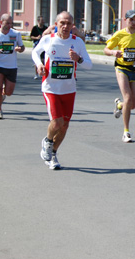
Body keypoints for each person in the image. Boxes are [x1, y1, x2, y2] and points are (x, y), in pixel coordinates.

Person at [33, 11, 92, 169]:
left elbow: (89, 64)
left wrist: (78, 59)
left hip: (69, 88)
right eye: (62, 23)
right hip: (51, 87)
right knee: (57, 121)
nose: (65, 26)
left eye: (69, 23)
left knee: (65, 125)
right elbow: (35, 52)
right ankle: (47, 140)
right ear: (56, 24)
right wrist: (39, 65)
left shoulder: (77, 42)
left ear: (73, 26)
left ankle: (52, 153)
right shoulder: (48, 40)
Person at [104, 9, 135, 142]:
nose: (134, 22)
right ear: (126, 21)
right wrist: (114, 53)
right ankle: (126, 131)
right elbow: (106, 49)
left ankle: (119, 105)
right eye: (131, 20)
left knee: (132, 105)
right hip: (122, 68)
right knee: (128, 97)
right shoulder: (119, 34)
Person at [0, 13, 26, 119]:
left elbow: (22, 47)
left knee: (9, 92)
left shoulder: (16, 34)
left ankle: (3, 94)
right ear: (1, 22)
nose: (9, 25)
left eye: (11, 23)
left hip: (11, 66)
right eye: (7, 23)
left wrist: (19, 49)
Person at [30, 15, 48, 79]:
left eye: (43, 20)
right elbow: (31, 36)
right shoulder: (35, 28)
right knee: (37, 59)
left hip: (44, 45)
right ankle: (36, 74)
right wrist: (36, 37)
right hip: (36, 44)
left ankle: (42, 72)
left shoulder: (46, 28)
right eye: (41, 20)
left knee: (43, 60)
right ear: (38, 21)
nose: (43, 21)